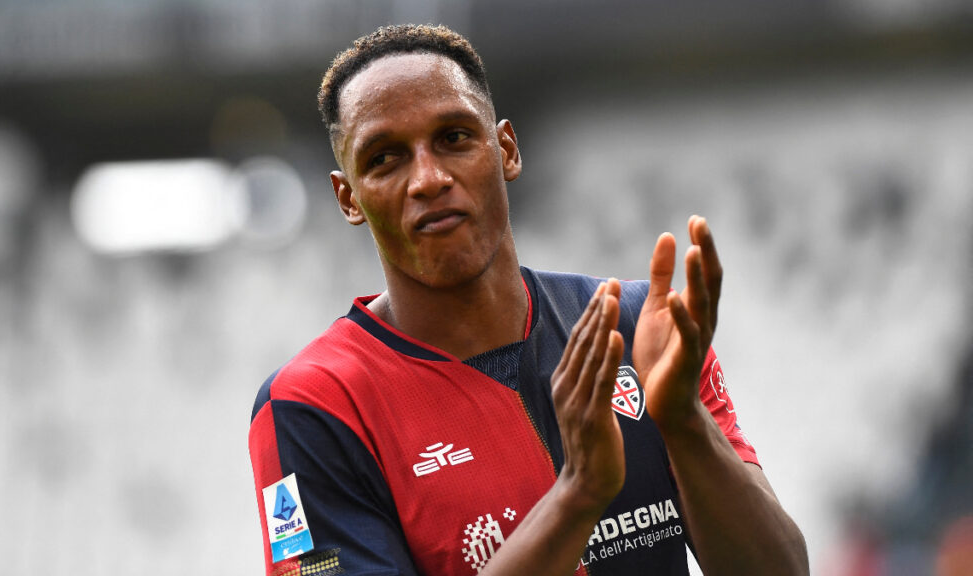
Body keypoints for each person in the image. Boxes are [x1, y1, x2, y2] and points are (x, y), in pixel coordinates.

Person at [249, 23, 807, 576]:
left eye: (454, 138)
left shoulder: (639, 329)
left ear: (506, 150)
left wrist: (684, 422)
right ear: (348, 197)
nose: (428, 178)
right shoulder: (312, 406)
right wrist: (578, 495)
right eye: (385, 158)